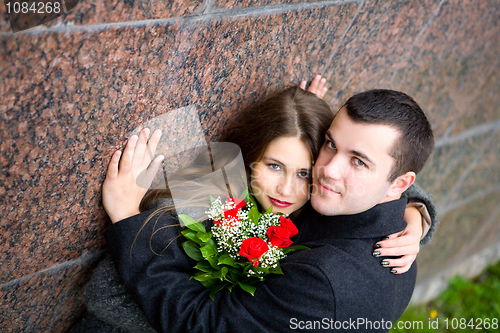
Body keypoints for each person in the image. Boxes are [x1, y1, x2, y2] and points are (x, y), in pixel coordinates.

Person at [97, 85, 436, 332]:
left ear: (398, 185)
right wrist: (419, 214)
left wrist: (128, 215)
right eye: (331, 143)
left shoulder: (321, 283)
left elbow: (200, 325)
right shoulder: (389, 223)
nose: (328, 169)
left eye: (358, 161)